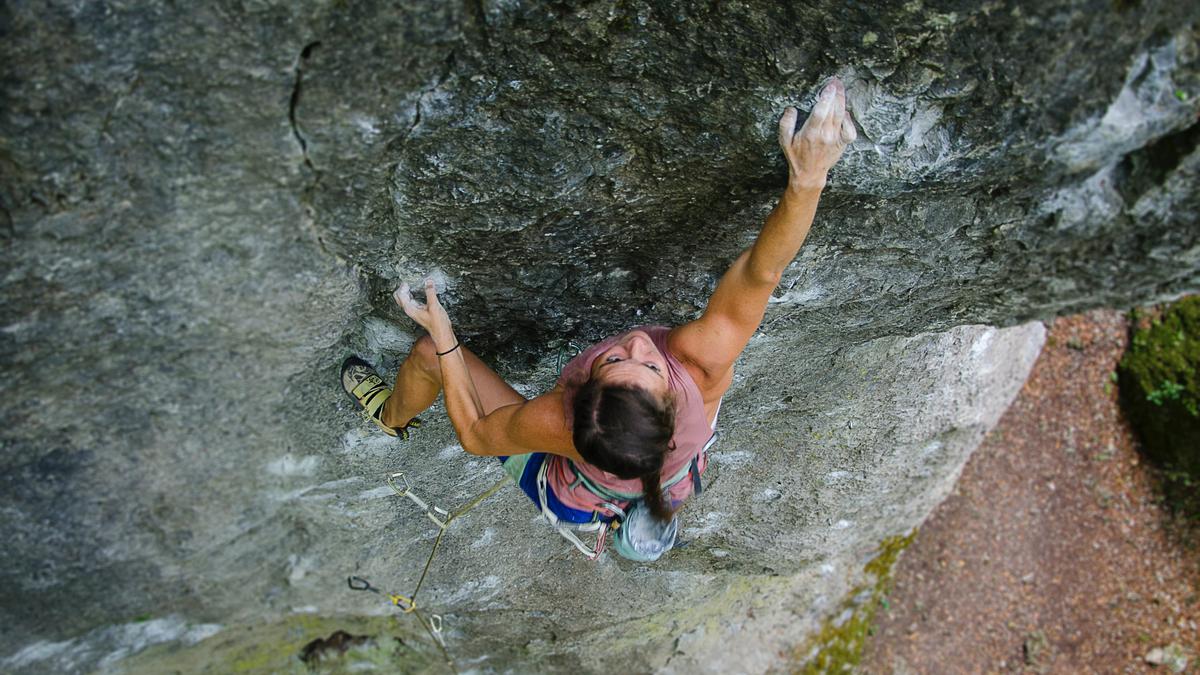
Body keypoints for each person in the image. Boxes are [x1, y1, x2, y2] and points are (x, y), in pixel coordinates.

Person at [342, 78, 856, 554]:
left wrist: (446, 338)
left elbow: (478, 436)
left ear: (577, 397)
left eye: (616, 362)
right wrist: (808, 179)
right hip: (667, 469)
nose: (638, 344)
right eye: (646, 366)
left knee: (429, 356)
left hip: (579, 493)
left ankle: (391, 419)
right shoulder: (700, 367)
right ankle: (642, 509)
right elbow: (759, 274)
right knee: (650, 464)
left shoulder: (560, 423)